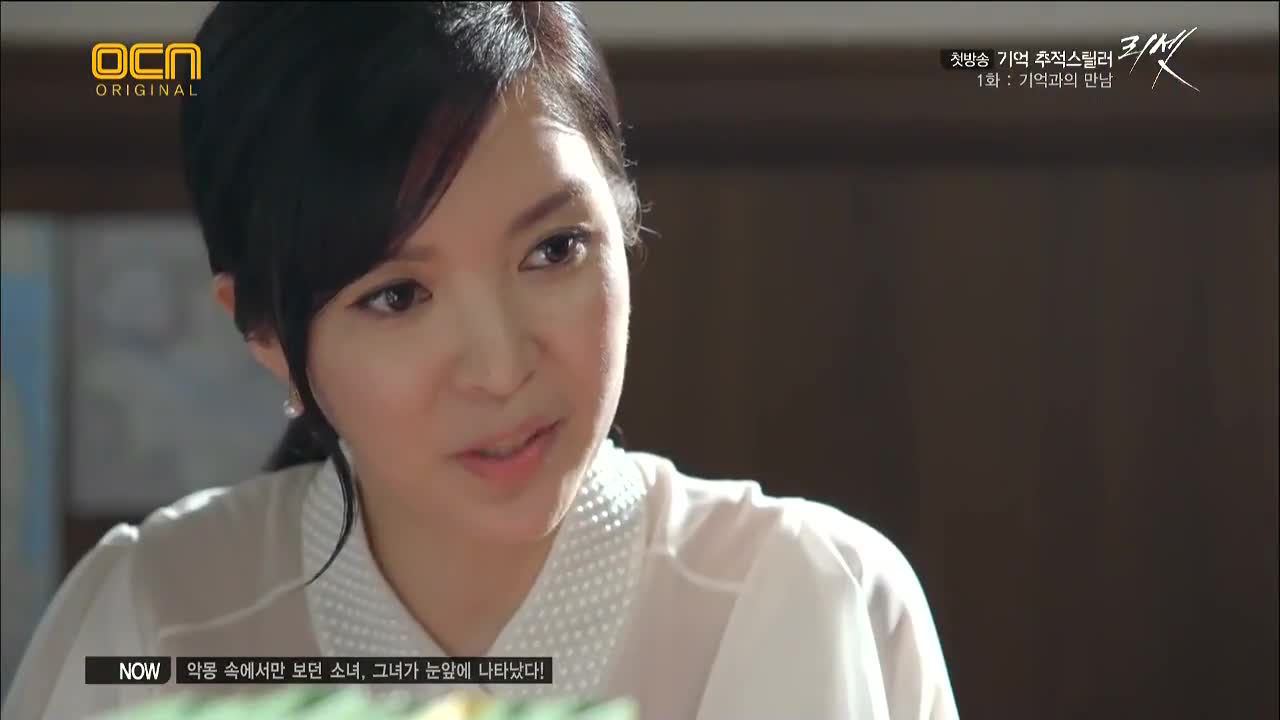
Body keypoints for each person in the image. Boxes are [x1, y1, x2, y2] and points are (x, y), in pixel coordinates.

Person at [1, 3, 959, 719]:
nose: (501, 370)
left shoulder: (804, 594)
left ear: (624, 223)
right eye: (396, 296)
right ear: (266, 337)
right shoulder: (157, 617)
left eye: (555, 250)